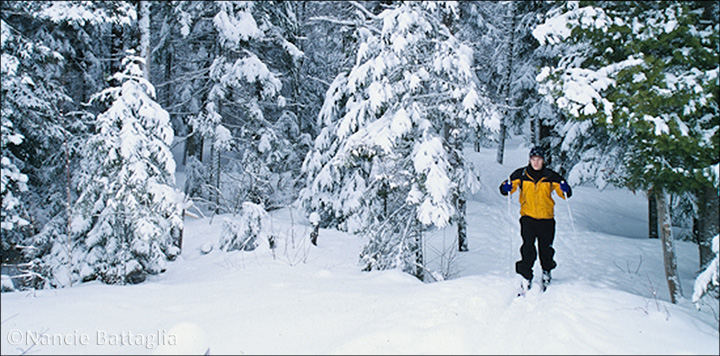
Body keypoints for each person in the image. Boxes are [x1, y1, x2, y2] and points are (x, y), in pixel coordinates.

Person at [499, 146, 572, 293]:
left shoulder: (551, 176)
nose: (536, 162)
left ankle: (546, 271)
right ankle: (525, 274)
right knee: (528, 247)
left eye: (539, 159)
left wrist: (565, 189)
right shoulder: (521, 174)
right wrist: (506, 188)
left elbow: (564, 193)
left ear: (543, 160)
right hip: (528, 218)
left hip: (546, 219)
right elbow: (506, 188)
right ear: (529, 160)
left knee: (545, 248)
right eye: (533, 159)